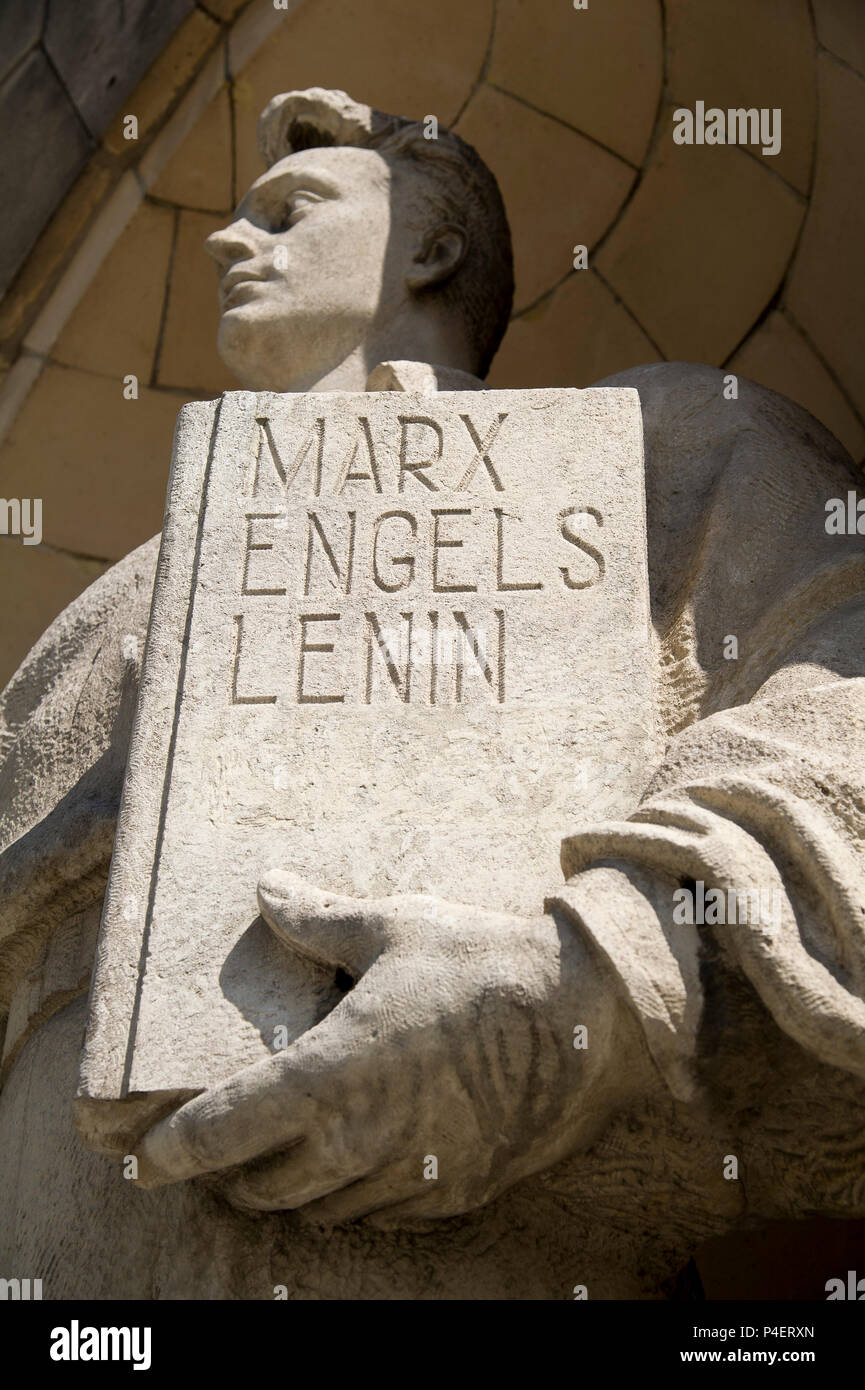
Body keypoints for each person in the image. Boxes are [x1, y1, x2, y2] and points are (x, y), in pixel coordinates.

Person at [2, 88, 864, 1299]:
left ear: (430, 242)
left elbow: (846, 695)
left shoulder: (648, 441)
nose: (223, 241)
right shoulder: (104, 605)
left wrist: (588, 988)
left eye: (290, 210)